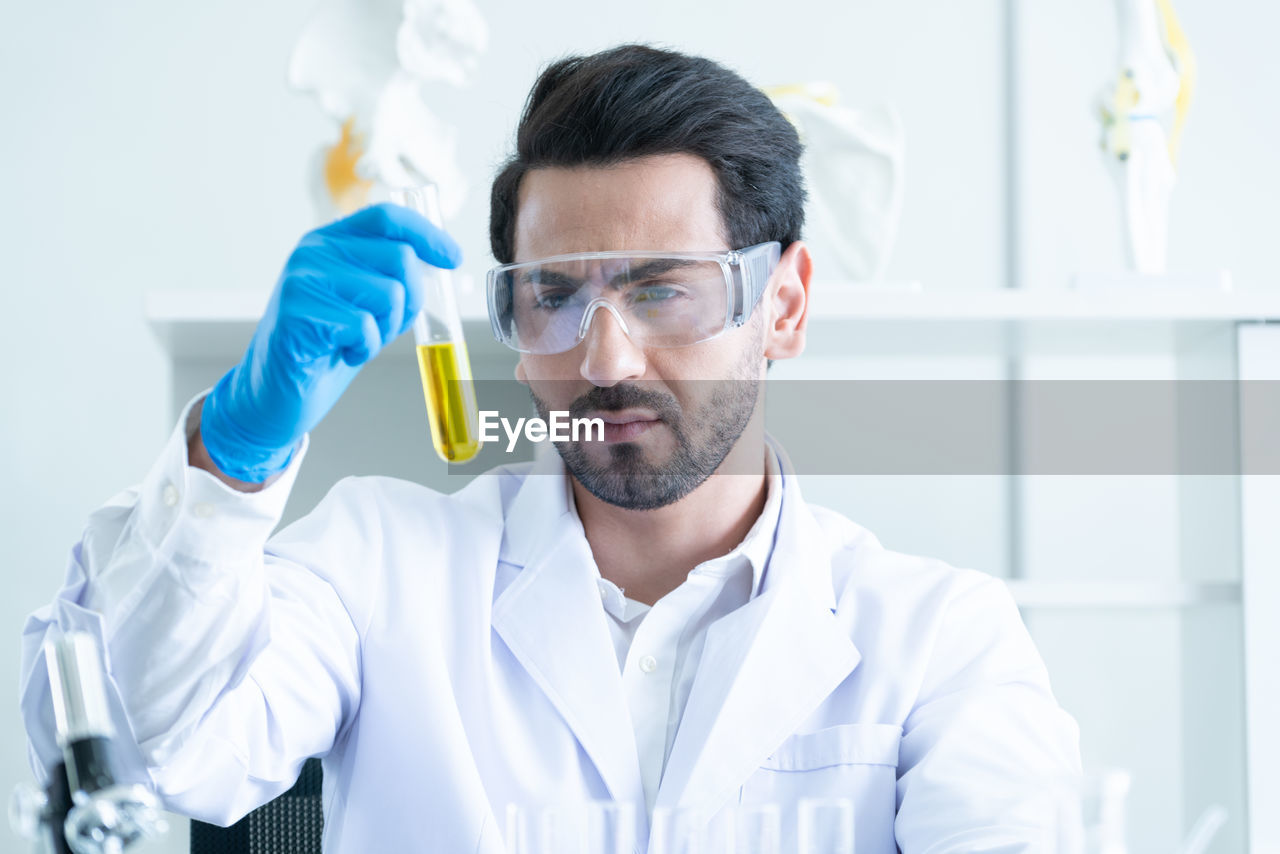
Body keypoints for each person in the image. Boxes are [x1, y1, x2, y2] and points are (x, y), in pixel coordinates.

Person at [20, 44, 1081, 852]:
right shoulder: (380, 566)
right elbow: (139, 746)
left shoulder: (938, 640)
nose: (605, 354)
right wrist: (234, 457)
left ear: (784, 303)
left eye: (662, 286)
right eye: (554, 295)